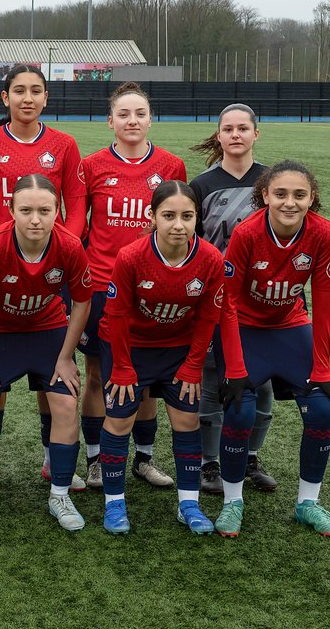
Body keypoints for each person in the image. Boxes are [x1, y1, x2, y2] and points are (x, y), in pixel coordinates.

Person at [0, 65, 85, 484]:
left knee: (48, 380)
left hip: (50, 267)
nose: (27, 98)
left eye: (36, 91)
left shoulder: (64, 144)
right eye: (19, 91)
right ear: (5, 98)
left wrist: (56, 248)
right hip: (0, 264)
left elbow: (75, 202)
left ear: (46, 98)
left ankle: (54, 460)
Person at [97, 180, 238, 535]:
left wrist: (192, 365)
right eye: (169, 215)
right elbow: (115, 316)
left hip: (177, 350)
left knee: (186, 422)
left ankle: (188, 503)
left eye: (187, 216)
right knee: (118, 421)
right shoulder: (131, 256)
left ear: (197, 218)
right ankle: (114, 504)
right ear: (152, 217)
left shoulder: (209, 259)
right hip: (129, 346)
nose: (179, 224)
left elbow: (208, 317)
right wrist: (124, 367)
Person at [214, 160, 330, 537]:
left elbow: (324, 301)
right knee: (239, 411)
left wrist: (323, 368)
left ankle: (308, 503)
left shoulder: (323, 233)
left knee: (321, 408)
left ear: (312, 198)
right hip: (245, 330)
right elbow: (228, 303)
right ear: (265, 195)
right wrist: (235, 368)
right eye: (281, 194)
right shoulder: (247, 233)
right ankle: (232, 501)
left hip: (289, 327)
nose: (290, 202)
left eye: (299, 195)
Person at [0, 174, 92, 532]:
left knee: (65, 402)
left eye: (45, 210)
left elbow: (81, 302)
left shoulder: (69, 245)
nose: (36, 218)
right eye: (27, 210)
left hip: (46, 329)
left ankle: (60, 492)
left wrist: (65, 356)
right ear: (11, 211)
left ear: (56, 212)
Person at [76, 81, 187, 491]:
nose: (132, 120)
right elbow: (79, 226)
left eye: (139, 113)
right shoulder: (92, 166)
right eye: (123, 114)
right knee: (97, 374)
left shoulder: (172, 166)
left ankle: (143, 459)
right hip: (103, 285)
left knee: (144, 379)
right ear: (110, 121)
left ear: (150, 118)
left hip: (154, 289)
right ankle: (94, 460)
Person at [189, 104, 276, 494]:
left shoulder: (274, 181)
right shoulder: (203, 184)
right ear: (219, 136)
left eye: (244, 128)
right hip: (215, 298)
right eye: (229, 129)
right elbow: (192, 244)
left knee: (262, 381)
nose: (236, 135)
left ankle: (249, 456)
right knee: (211, 378)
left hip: (261, 301)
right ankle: (210, 463)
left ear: (256, 133)